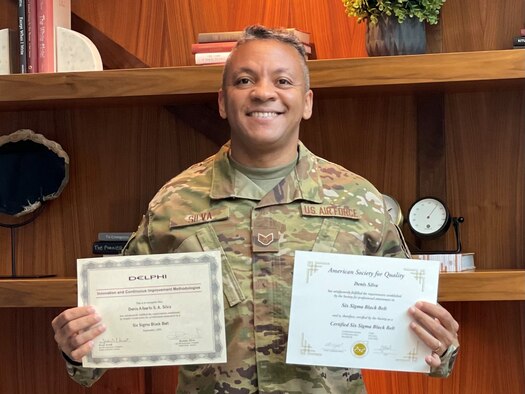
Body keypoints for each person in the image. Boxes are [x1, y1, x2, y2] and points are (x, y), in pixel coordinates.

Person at [52, 25, 460, 393]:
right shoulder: (174, 202)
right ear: (223, 102)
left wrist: (440, 345)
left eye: (283, 80)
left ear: (307, 102)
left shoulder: (361, 201)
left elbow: (412, 332)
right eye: (244, 80)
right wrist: (79, 345)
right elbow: (111, 331)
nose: (264, 92)